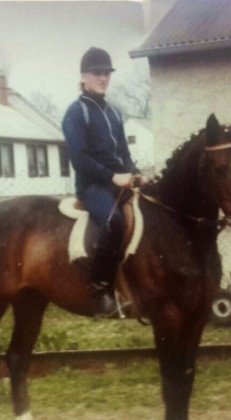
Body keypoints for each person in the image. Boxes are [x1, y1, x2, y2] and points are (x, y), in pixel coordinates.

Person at [62, 47, 140, 318]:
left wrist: (136, 173)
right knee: (114, 222)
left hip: (119, 182)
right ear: (84, 77)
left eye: (106, 73)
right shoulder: (76, 113)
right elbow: (79, 159)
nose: (103, 78)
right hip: (93, 186)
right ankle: (101, 289)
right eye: (97, 73)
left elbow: (124, 155)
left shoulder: (115, 113)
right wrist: (112, 176)